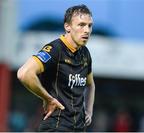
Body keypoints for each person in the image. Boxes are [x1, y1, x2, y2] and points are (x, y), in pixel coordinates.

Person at [17, 4, 95, 132]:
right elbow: (24, 73)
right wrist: (48, 99)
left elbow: (90, 84)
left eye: (89, 25)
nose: (86, 30)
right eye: (81, 25)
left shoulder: (85, 53)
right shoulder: (55, 49)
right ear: (67, 27)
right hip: (56, 127)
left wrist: (89, 111)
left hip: (79, 129)